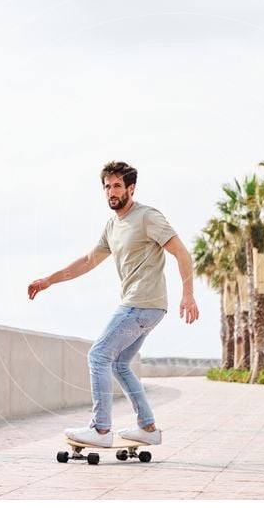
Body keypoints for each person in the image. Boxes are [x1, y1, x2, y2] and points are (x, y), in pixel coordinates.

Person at [27, 161, 199, 447]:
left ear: (131, 188)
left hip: (142, 302)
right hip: (147, 306)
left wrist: (188, 294)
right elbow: (88, 261)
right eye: (107, 186)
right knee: (119, 364)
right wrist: (48, 280)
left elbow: (182, 253)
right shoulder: (112, 225)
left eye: (117, 185)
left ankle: (101, 429)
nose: (111, 191)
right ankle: (148, 428)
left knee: (98, 356)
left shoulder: (147, 216)